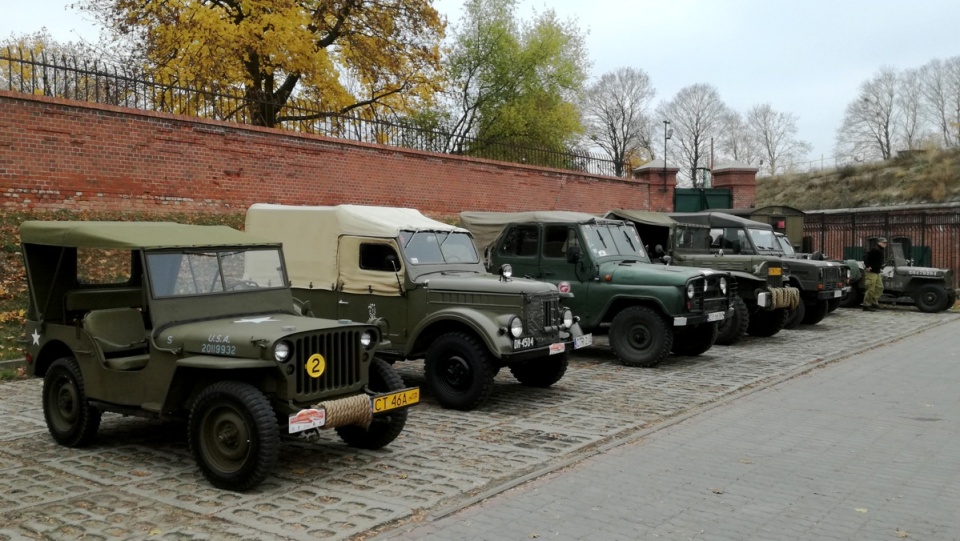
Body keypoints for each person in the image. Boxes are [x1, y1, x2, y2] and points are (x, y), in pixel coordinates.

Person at [862, 237, 887, 311]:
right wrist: (867, 266)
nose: (885, 244)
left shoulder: (880, 250)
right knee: (871, 289)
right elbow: (865, 257)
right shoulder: (875, 249)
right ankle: (866, 305)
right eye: (884, 243)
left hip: (877, 271)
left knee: (879, 287)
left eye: (885, 243)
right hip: (871, 271)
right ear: (879, 242)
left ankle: (874, 302)